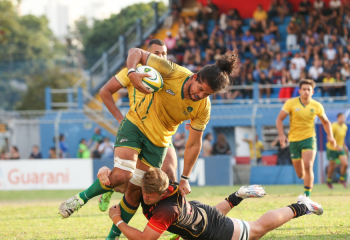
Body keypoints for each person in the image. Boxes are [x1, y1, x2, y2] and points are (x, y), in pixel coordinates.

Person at [59, 48, 238, 240]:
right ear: (194, 77)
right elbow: (135, 52)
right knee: (123, 175)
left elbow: (194, 144)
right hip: (135, 124)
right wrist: (132, 72)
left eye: (206, 94)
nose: (199, 96)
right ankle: (79, 200)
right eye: (200, 89)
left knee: (136, 191)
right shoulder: (172, 71)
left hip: (159, 143)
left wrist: (185, 178)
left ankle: (112, 237)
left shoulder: (203, 107)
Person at [107, 167, 323, 240]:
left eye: (151, 196)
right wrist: (106, 177)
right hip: (197, 217)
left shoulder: (166, 210)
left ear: (162, 192)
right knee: (205, 219)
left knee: (256, 231)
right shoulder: (156, 183)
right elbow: (124, 186)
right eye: (145, 193)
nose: (146, 198)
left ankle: (303, 206)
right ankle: (237, 195)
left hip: (209, 229)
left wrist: (117, 220)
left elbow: (145, 239)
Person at [95, 40, 180, 212]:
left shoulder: (170, 74)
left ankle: (173, 219)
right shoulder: (132, 72)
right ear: (147, 56)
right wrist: (120, 119)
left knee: (170, 174)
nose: (161, 57)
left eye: (164, 53)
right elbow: (105, 91)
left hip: (162, 132)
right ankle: (110, 188)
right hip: (138, 131)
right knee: (126, 183)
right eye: (156, 53)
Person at [276, 79, 336, 197]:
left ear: (312, 92)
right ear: (299, 91)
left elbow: (326, 122)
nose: (306, 92)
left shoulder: (317, 106)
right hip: (293, 140)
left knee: (308, 166)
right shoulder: (291, 103)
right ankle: (304, 178)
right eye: (304, 89)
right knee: (300, 174)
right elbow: (279, 119)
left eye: (308, 89)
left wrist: (331, 136)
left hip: (309, 139)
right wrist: (281, 135)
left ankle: (307, 196)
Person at [326, 113, 349, 189]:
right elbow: (329, 137)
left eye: (343, 117)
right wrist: (336, 145)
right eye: (341, 117)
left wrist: (344, 146)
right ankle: (329, 181)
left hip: (340, 148)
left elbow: (342, 138)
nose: (342, 119)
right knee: (332, 167)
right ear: (337, 118)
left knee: (345, 164)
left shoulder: (345, 127)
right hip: (332, 148)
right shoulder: (333, 126)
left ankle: (342, 179)